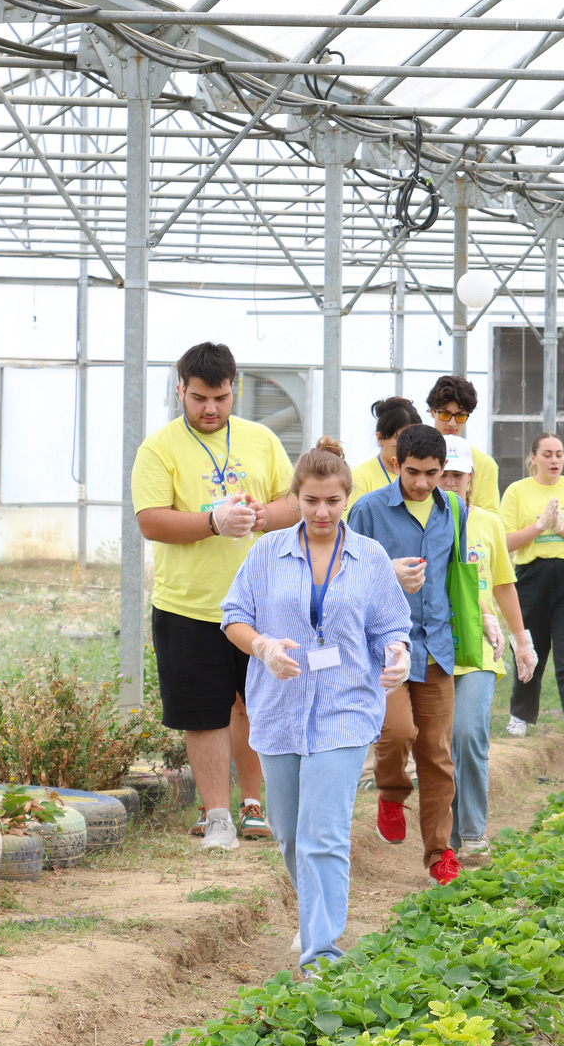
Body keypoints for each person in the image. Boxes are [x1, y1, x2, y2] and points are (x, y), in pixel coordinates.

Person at [220, 437, 412, 974]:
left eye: (333, 501)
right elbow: (233, 616)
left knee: (322, 834)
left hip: (346, 707)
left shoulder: (370, 557)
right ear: (295, 498)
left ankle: (322, 953)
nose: (322, 512)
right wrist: (263, 646)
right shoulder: (267, 552)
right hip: (279, 707)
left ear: (347, 498)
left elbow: (391, 625)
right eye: (311, 501)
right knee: (288, 833)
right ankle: (313, 918)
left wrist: (397, 654)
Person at [133, 341, 300, 850]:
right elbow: (151, 521)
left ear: (235, 390)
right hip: (189, 605)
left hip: (261, 604)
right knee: (204, 714)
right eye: (199, 397)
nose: (211, 408)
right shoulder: (158, 448)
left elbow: (295, 502)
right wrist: (213, 521)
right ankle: (218, 816)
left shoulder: (261, 439)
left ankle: (253, 803)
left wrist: (263, 516)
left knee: (256, 706)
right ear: (180, 390)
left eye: (221, 398)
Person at [346, 424, 465, 886]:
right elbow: (342, 574)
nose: (421, 482)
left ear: (443, 469)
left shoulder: (454, 510)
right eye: (413, 472)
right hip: (385, 647)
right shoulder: (368, 510)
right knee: (397, 732)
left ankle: (440, 853)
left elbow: (457, 574)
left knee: (436, 754)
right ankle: (392, 792)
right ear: (397, 463)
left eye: (431, 473)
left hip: (436, 646)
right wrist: (387, 575)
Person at [438, 436, 537, 856]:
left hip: (480, 645)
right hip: (435, 644)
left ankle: (474, 830)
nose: (449, 482)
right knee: (440, 743)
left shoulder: (488, 523)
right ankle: (447, 833)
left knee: (468, 733)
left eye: (457, 475)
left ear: (471, 478)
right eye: (442, 474)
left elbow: (503, 584)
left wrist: (521, 640)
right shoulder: (421, 524)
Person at [500, 433, 564, 766]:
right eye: (547, 454)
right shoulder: (517, 491)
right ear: (533, 458)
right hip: (531, 579)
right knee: (530, 650)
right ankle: (520, 715)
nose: (554, 460)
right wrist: (539, 526)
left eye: (559, 454)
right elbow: (506, 542)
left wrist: (560, 528)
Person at [425, 374, 501, 513]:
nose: (452, 423)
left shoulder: (485, 464)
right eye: (445, 414)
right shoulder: (416, 456)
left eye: (460, 416)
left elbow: (489, 517)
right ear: (431, 411)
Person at [349, 397, 423, 505]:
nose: (408, 444)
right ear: (380, 438)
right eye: (400, 438)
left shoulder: (427, 476)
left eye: (413, 437)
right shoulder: (359, 478)